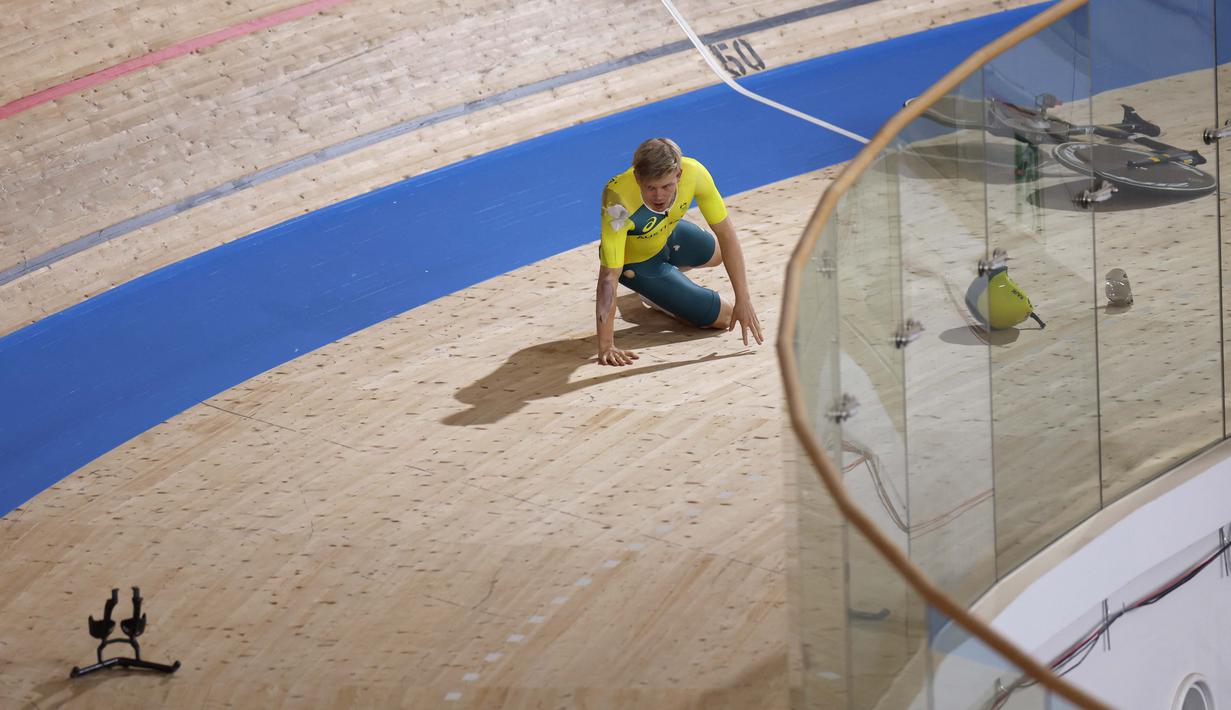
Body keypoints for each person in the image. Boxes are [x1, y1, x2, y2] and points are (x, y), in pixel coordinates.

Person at [596, 138, 763, 366]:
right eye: (650, 188)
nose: (659, 197)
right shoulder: (618, 199)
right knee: (724, 317)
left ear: (679, 175)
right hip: (637, 263)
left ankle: (665, 285)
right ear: (638, 179)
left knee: (718, 253)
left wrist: (744, 299)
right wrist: (606, 345)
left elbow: (727, 235)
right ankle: (654, 292)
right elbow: (608, 277)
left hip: (666, 235)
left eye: (666, 186)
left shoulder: (695, 172)